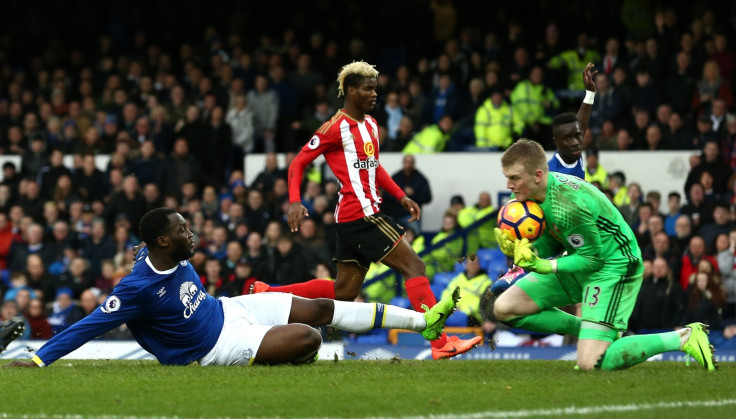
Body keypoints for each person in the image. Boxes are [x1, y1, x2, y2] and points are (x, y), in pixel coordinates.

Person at [2, 208, 461, 368]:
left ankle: (424, 322)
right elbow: (90, 324)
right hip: (217, 346)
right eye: (183, 230)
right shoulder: (138, 286)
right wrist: (40, 355)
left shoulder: (159, 255)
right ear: (163, 241)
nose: (192, 234)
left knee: (324, 306)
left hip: (231, 308)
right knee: (310, 337)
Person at [249, 61, 481, 359]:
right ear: (350, 91)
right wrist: (295, 200)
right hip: (362, 214)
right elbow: (298, 162)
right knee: (415, 267)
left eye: (376, 88)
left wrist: (400, 196)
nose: (374, 94)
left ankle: (268, 294)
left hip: (353, 218)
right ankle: (440, 342)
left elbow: (374, 168)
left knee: (344, 291)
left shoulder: (370, 124)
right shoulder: (334, 128)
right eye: (368, 88)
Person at [492, 139, 716, 371]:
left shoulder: (567, 205)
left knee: (590, 363)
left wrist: (545, 266)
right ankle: (595, 331)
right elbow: (555, 238)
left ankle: (684, 337)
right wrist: (532, 251)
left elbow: (593, 259)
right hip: (580, 260)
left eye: (515, 178)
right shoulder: (529, 199)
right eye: (507, 177)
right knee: (505, 308)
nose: (509, 185)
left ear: (537, 176)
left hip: (613, 266)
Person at [547, 63, 597, 178]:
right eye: (567, 138)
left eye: (577, 136)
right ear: (556, 142)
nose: (575, 143)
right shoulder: (551, 175)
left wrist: (590, 94)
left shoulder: (572, 153)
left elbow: (579, 126)